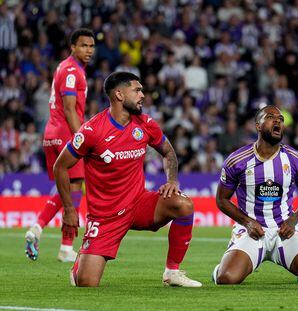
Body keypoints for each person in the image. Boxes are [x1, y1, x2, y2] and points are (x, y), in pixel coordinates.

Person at [53, 71, 202, 287]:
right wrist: (68, 209)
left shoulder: (145, 123)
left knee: (183, 204)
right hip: (105, 216)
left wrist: (172, 181)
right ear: (119, 95)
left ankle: (172, 272)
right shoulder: (92, 131)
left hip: (137, 203)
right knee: (86, 283)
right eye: (137, 90)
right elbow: (60, 167)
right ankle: (79, 265)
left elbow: (168, 153)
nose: (143, 95)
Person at [212, 105, 298, 284]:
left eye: (281, 119)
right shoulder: (238, 160)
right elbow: (221, 199)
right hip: (251, 230)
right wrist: (248, 222)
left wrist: (293, 220)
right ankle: (220, 268)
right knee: (226, 278)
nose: (278, 121)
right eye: (270, 117)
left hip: (285, 229)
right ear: (258, 126)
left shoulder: (295, 159)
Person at [25, 28, 95, 262]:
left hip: (51, 134)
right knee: (72, 189)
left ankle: (52, 239)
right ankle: (54, 238)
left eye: (91, 46)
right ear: (72, 47)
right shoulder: (73, 71)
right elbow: (69, 108)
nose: (89, 50)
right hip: (65, 133)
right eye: (83, 45)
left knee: (69, 188)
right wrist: (80, 139)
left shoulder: (65, 67)